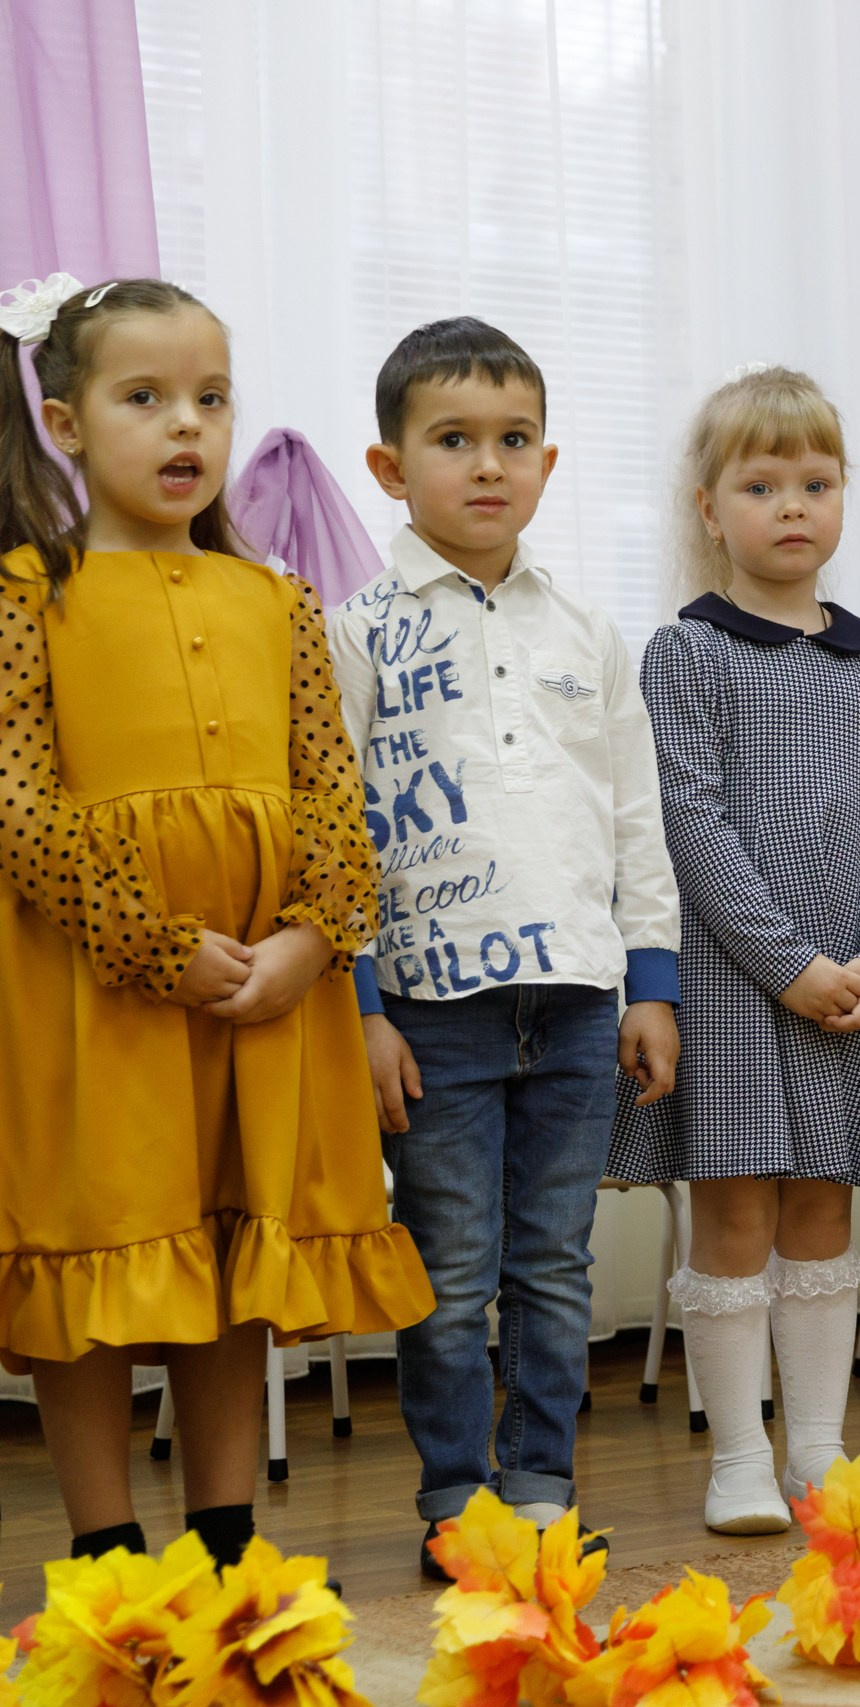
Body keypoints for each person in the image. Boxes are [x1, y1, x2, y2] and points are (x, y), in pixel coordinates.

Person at [0, 274, 431, 1563]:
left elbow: (334, 797)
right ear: (68, 425)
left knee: (237, 1251)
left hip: (265, 992)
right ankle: (106, 1551)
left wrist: (312, 938)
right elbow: (17, 800)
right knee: (103, 1251)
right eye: (147, 399)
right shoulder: (28, 592)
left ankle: (229, 1538)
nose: (187, 426)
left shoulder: (281, 602)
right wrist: (151, 943)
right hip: (100, 989)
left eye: (211, 398)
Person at [329, 318, 683, 1572]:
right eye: (454, 441)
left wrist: (651, 984)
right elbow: (337, 833)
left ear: (547, 461)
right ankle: (452, 1495)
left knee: (552, 1259)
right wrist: (363, 1007)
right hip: (432, 1007)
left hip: (578, 998)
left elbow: (635, 816)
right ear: (389, 468)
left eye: (514, 441)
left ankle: (539, 1479)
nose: (488, 466)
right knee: (451, 1261)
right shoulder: (353, 632)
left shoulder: (587, 631)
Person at [606, 366, 860, 1532]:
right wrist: (791, 965)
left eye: (815, 481)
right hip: (737, 990)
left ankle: (821, 1456)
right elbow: (688, 823)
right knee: (736, 1214)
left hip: (852, 988)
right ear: (710, 508)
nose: (791, 505)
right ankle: (738, 1460)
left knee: (823, 1215)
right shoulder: (684, 656)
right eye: (760, 484)